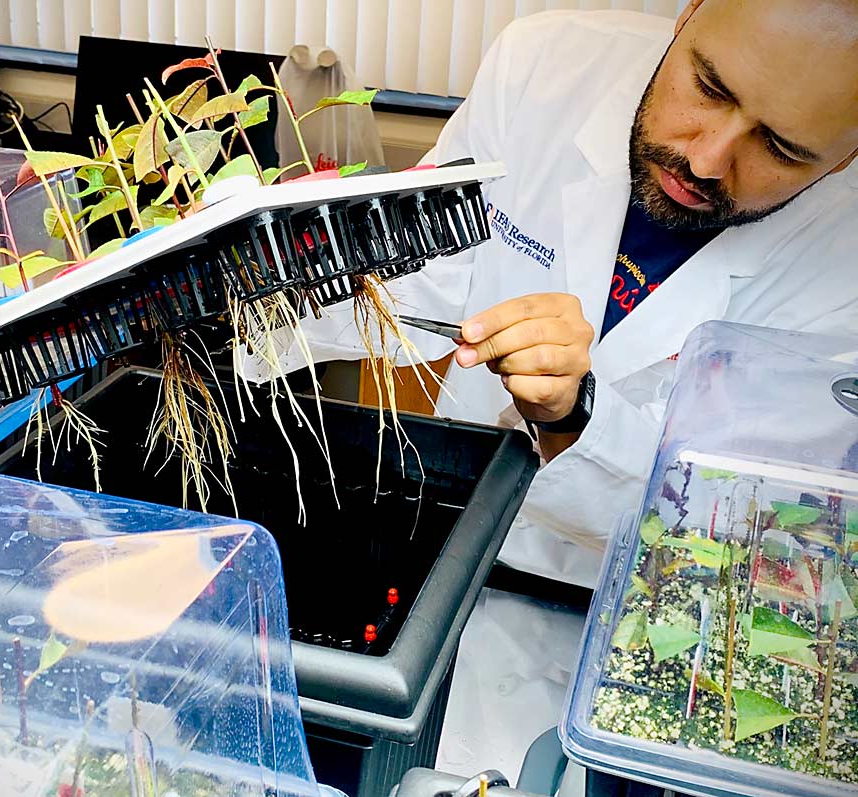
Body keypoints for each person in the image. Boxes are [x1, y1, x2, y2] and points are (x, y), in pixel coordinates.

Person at [278, 0, 858, 786]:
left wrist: (580, 414)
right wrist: (263, 276)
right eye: (710, 87)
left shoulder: (845, 264)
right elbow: (430, 275)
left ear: (846, 156)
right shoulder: (546, 65)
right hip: (439, 558)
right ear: (687, 15)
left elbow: (748, 556)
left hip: (629, 646)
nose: (710, 158)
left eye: (782, 148)